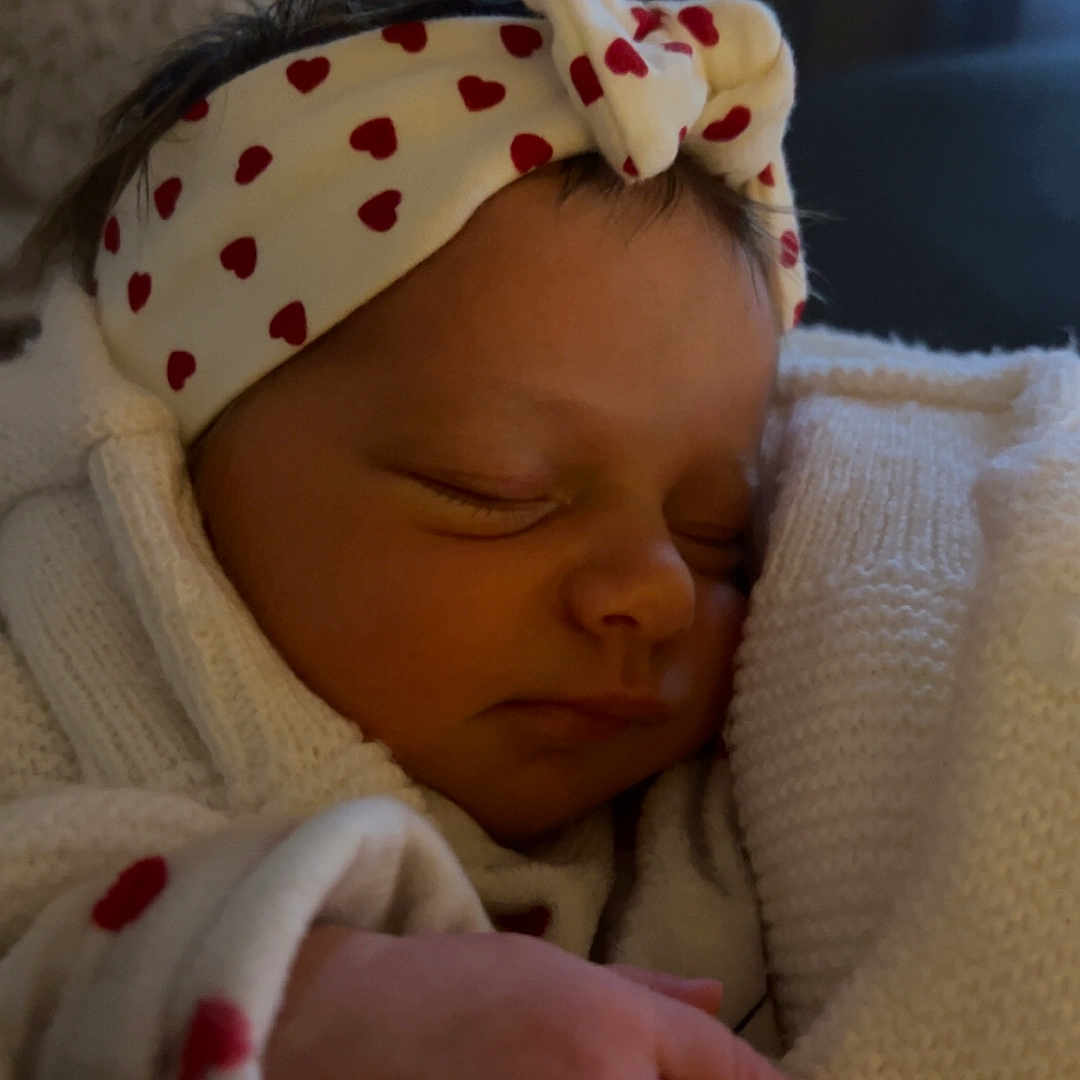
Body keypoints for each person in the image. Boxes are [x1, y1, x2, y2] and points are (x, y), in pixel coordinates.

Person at [0, 0, 808, 1075]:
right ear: (169, 485)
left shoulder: (736, 825)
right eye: (497, 489)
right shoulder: (39, 693)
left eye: (716, 535)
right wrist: (308, 999)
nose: (657, 593)